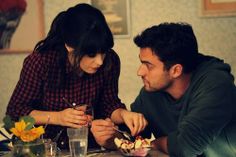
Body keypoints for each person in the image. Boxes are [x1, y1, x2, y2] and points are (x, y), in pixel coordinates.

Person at [6, 3, 147, 150]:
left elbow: (109, 104)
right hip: (44, 148)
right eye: (91, 54)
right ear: (69, 46)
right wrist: (58, 117)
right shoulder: (41, 61)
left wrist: (124, 114)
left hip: (90, 148)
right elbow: (15, 113)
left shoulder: (110, 61)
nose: (100, 61)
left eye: (103, 52)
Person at [130, 22, 236, 157]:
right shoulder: (151, 91)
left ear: (176, 70)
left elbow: (186, 148)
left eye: (148, 65)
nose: (140, 72)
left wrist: (154, 144)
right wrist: (111, 136)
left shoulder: (217, 85)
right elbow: (133, 136)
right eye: (141, 63)